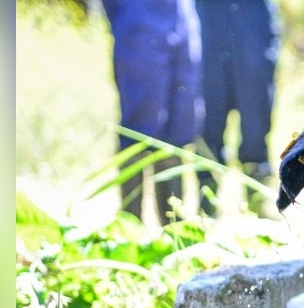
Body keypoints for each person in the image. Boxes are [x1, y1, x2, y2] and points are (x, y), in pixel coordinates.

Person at [101, 0, 202, 225]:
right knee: (140, 123)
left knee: (180, 122)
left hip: (181, 14)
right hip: (139, 15)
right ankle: (131, 227)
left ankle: (173, 229)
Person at [194, 0, 280, 217]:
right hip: (209, 29)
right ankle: (206, 210)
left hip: (252, 30)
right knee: (208, 128)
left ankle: (257, 206)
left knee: (256, 126)